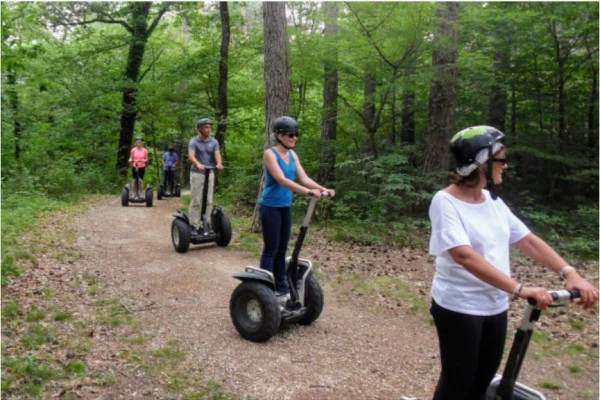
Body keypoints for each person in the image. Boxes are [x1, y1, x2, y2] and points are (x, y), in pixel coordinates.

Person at [427, 125, 598, 400]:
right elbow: (463, 255)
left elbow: (528, 240)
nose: (505, 166)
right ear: (481, 163)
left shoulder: (492, 202)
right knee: (458, 380)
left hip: (494, 305)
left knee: (482, 379)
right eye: (501, 160)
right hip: (459, 306)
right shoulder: (445, 202)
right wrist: (519, 289)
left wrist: (570, 273)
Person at [259, 116, 336, 304]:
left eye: (296, 135)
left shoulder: (292, 155)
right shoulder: (270, 154)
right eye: (290, 135)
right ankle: (265, 290)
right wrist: (308, 192)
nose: (294, 138)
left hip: (285, 208)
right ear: (279, 136)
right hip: (270, 207)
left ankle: (282, 289)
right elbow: (281, 180)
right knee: (271, 249)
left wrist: (323, 189)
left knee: (282, 249)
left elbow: (304, 178)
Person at [188, 118, 223, 234]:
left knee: (208, 200)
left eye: (210, 127)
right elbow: (191, 156)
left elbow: (217, 154)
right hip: (197, 173)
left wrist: (219, 163)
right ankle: (193, 224)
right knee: (196, 200)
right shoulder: (194, 141)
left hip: (210, 173)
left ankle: (206, 223)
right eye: (206, 127)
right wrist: (198, 164)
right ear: (200, 129)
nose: (209, 129)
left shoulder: (214, 141)